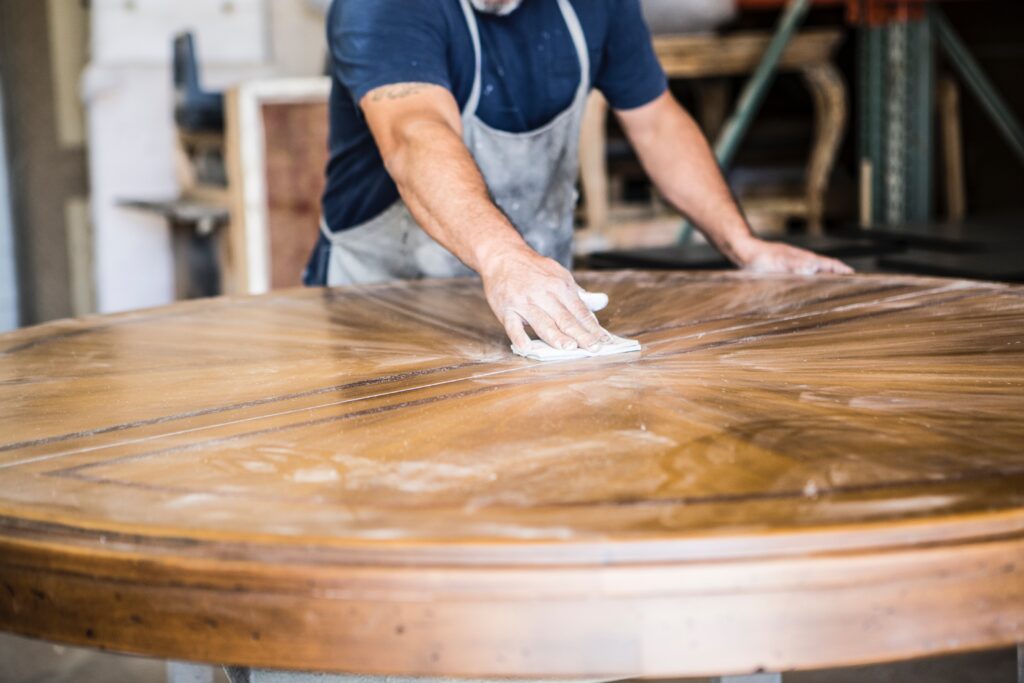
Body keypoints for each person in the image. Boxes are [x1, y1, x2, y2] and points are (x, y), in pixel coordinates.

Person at [304, 0, 852, 354]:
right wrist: (505, 260)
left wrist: (744, 245)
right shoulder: (378, 8)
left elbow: (656, 121)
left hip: (545, 318)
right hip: (384, 317)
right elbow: (413, 135)